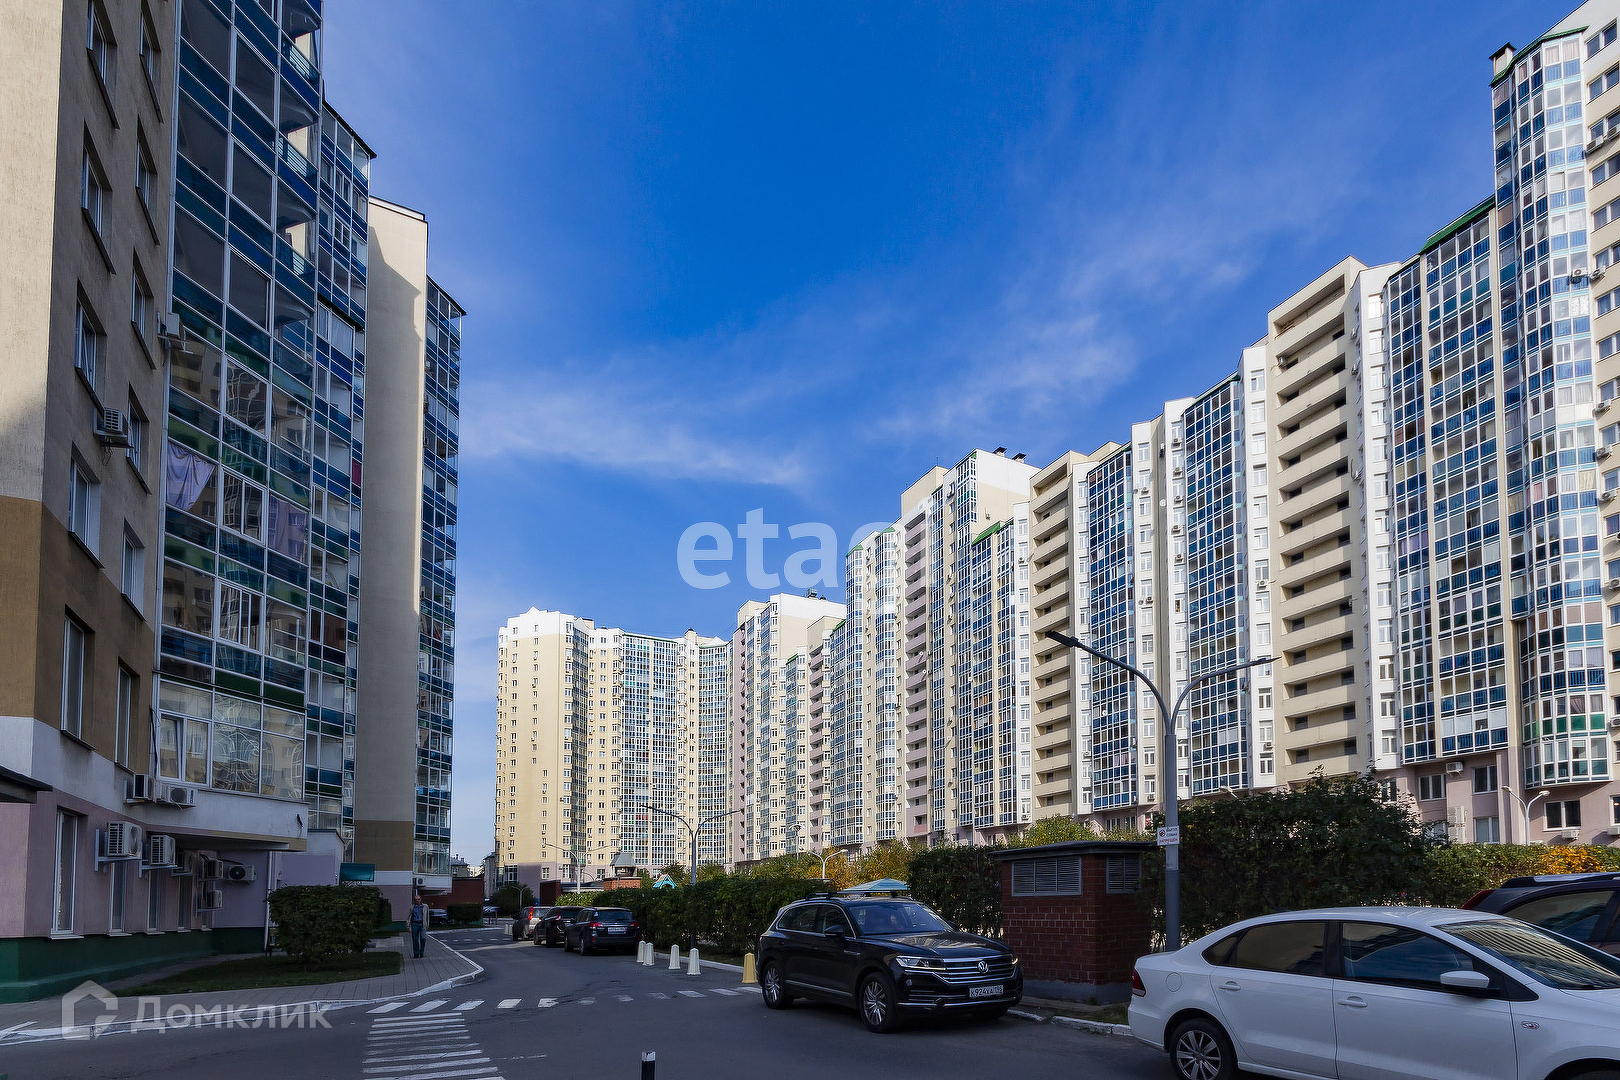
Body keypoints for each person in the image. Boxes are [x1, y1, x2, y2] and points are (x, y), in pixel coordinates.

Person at [409, 894, 428, 959]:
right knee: (415, 939)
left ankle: (421, 951)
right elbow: (410, 917)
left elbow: (427, 916)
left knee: (423, 938)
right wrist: (409, 926)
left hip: (422, 924)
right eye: (416, 899)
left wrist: (427, 925)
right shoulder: (412, 907)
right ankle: (416, 953)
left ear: (420, 899)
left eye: (418, 899)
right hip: (415, 924)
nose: (417, 900)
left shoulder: (425, 906)